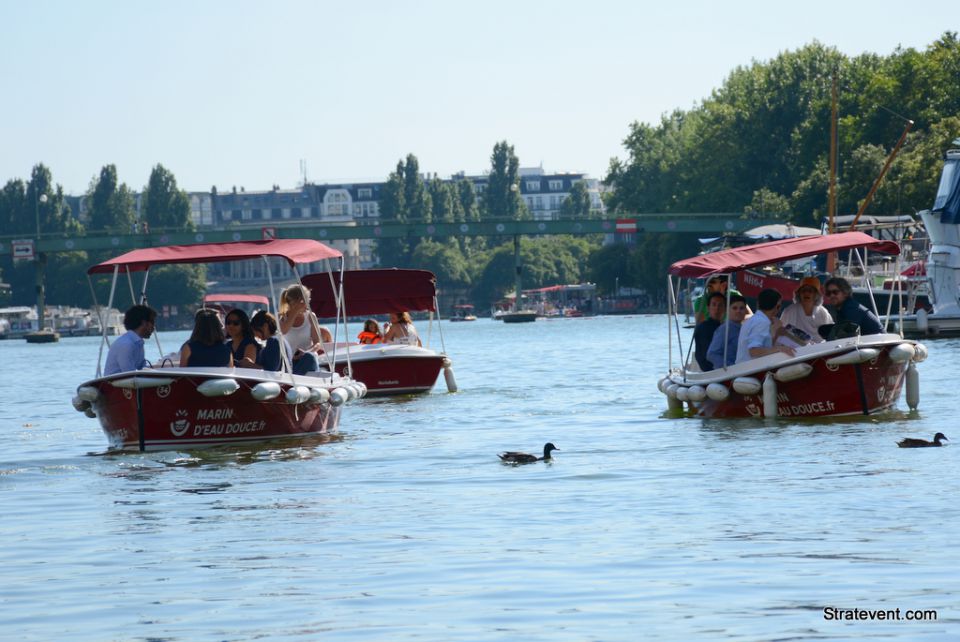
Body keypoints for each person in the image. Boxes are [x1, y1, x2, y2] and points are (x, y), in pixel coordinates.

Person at [279, 284, 331, 375]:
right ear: (297, 302)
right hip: (289, 364)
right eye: (306, 301)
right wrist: (294, 312)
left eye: (308, 301)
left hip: (308, 359)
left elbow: (317, 343)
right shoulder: (282, 318)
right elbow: (284, 331)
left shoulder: (311, 316)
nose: (307, 306)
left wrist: (305, 353)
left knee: (309, 357)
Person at [736, 288, 796, 363]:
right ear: (777, 307)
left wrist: (777, 335)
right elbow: (754, 351)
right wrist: (779, 348)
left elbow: (763, 348)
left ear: (758, 304)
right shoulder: (761, 322)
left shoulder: (754, 320)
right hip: (750, 372)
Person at [104, 305, 157, 375]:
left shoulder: (137, 343)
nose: (153, 327)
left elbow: (142, 367)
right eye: (152, 323)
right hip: (113, 384)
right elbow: (129, 374)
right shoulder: (126, 345)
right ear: (144, 323)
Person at [778, 277, 832, 346]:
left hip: (819, 351)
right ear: (799, 294)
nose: (806, 293)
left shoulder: (823, 313)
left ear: (816, 294)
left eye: (810, 291)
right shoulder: (789, 311)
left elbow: (831, 335)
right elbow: (781, 333)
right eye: (803, 291)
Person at [707, 295, 748, 369]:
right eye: (734, 308)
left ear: (745, 311)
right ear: (728, 310)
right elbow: (712, 354)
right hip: (727, 375)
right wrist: (730, 368)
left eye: (741, 308)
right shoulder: (725, 329)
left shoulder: (744, 329)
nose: (738, 311)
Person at [693, 292, 725, 371]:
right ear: (708, 308)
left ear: (725, 309)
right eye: (714, 305)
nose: (717, 308)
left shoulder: (726, 328)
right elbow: (704, 354)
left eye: (720, 305)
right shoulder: (702, 328)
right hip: (711, 370)